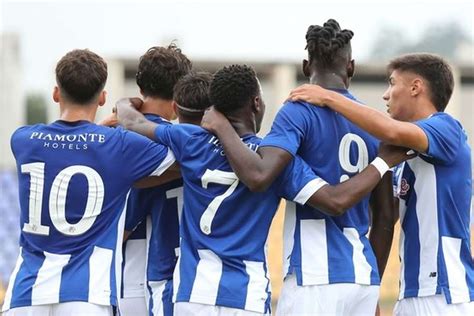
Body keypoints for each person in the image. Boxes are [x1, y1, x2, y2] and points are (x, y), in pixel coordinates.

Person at [116, 64, 412, 315]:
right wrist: (382, 162)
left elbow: (134, 122)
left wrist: (125, 105)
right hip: (247, 296)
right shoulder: (277, 162)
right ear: (257, 104)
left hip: (193, 293)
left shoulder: (190, 141)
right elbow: (335, 200)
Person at [200, 20, 394, 315]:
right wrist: (373, 280)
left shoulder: (297, 110)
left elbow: (261, 172)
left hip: (314, 278)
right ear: (351, 67)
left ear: (306, 67)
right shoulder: (372, 122)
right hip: (362, 280)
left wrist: (221, 127)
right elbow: (385, 215)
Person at [288, 53, 474, 315]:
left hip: (445, 295)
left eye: (391, 83)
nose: (385, 95)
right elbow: (385, 219)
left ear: (415, 87)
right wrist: (371, 289)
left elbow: (389, 130)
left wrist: (328, 97)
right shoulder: (404, 154)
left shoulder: (446, 128)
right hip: (410, 293)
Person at [1, 49, 176, 316]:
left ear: (56, 93)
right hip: (87, 296)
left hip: (26, 294)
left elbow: (65, 147)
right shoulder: (118, 146)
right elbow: (182, 158)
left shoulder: (23, 139)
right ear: (103, 97)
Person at [119, 44, 192, 316]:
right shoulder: (186, 143)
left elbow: (122, 225)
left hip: (129, 279)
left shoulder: (115, 139)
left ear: (140, 87)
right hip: (165, 278)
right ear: (179, 91)